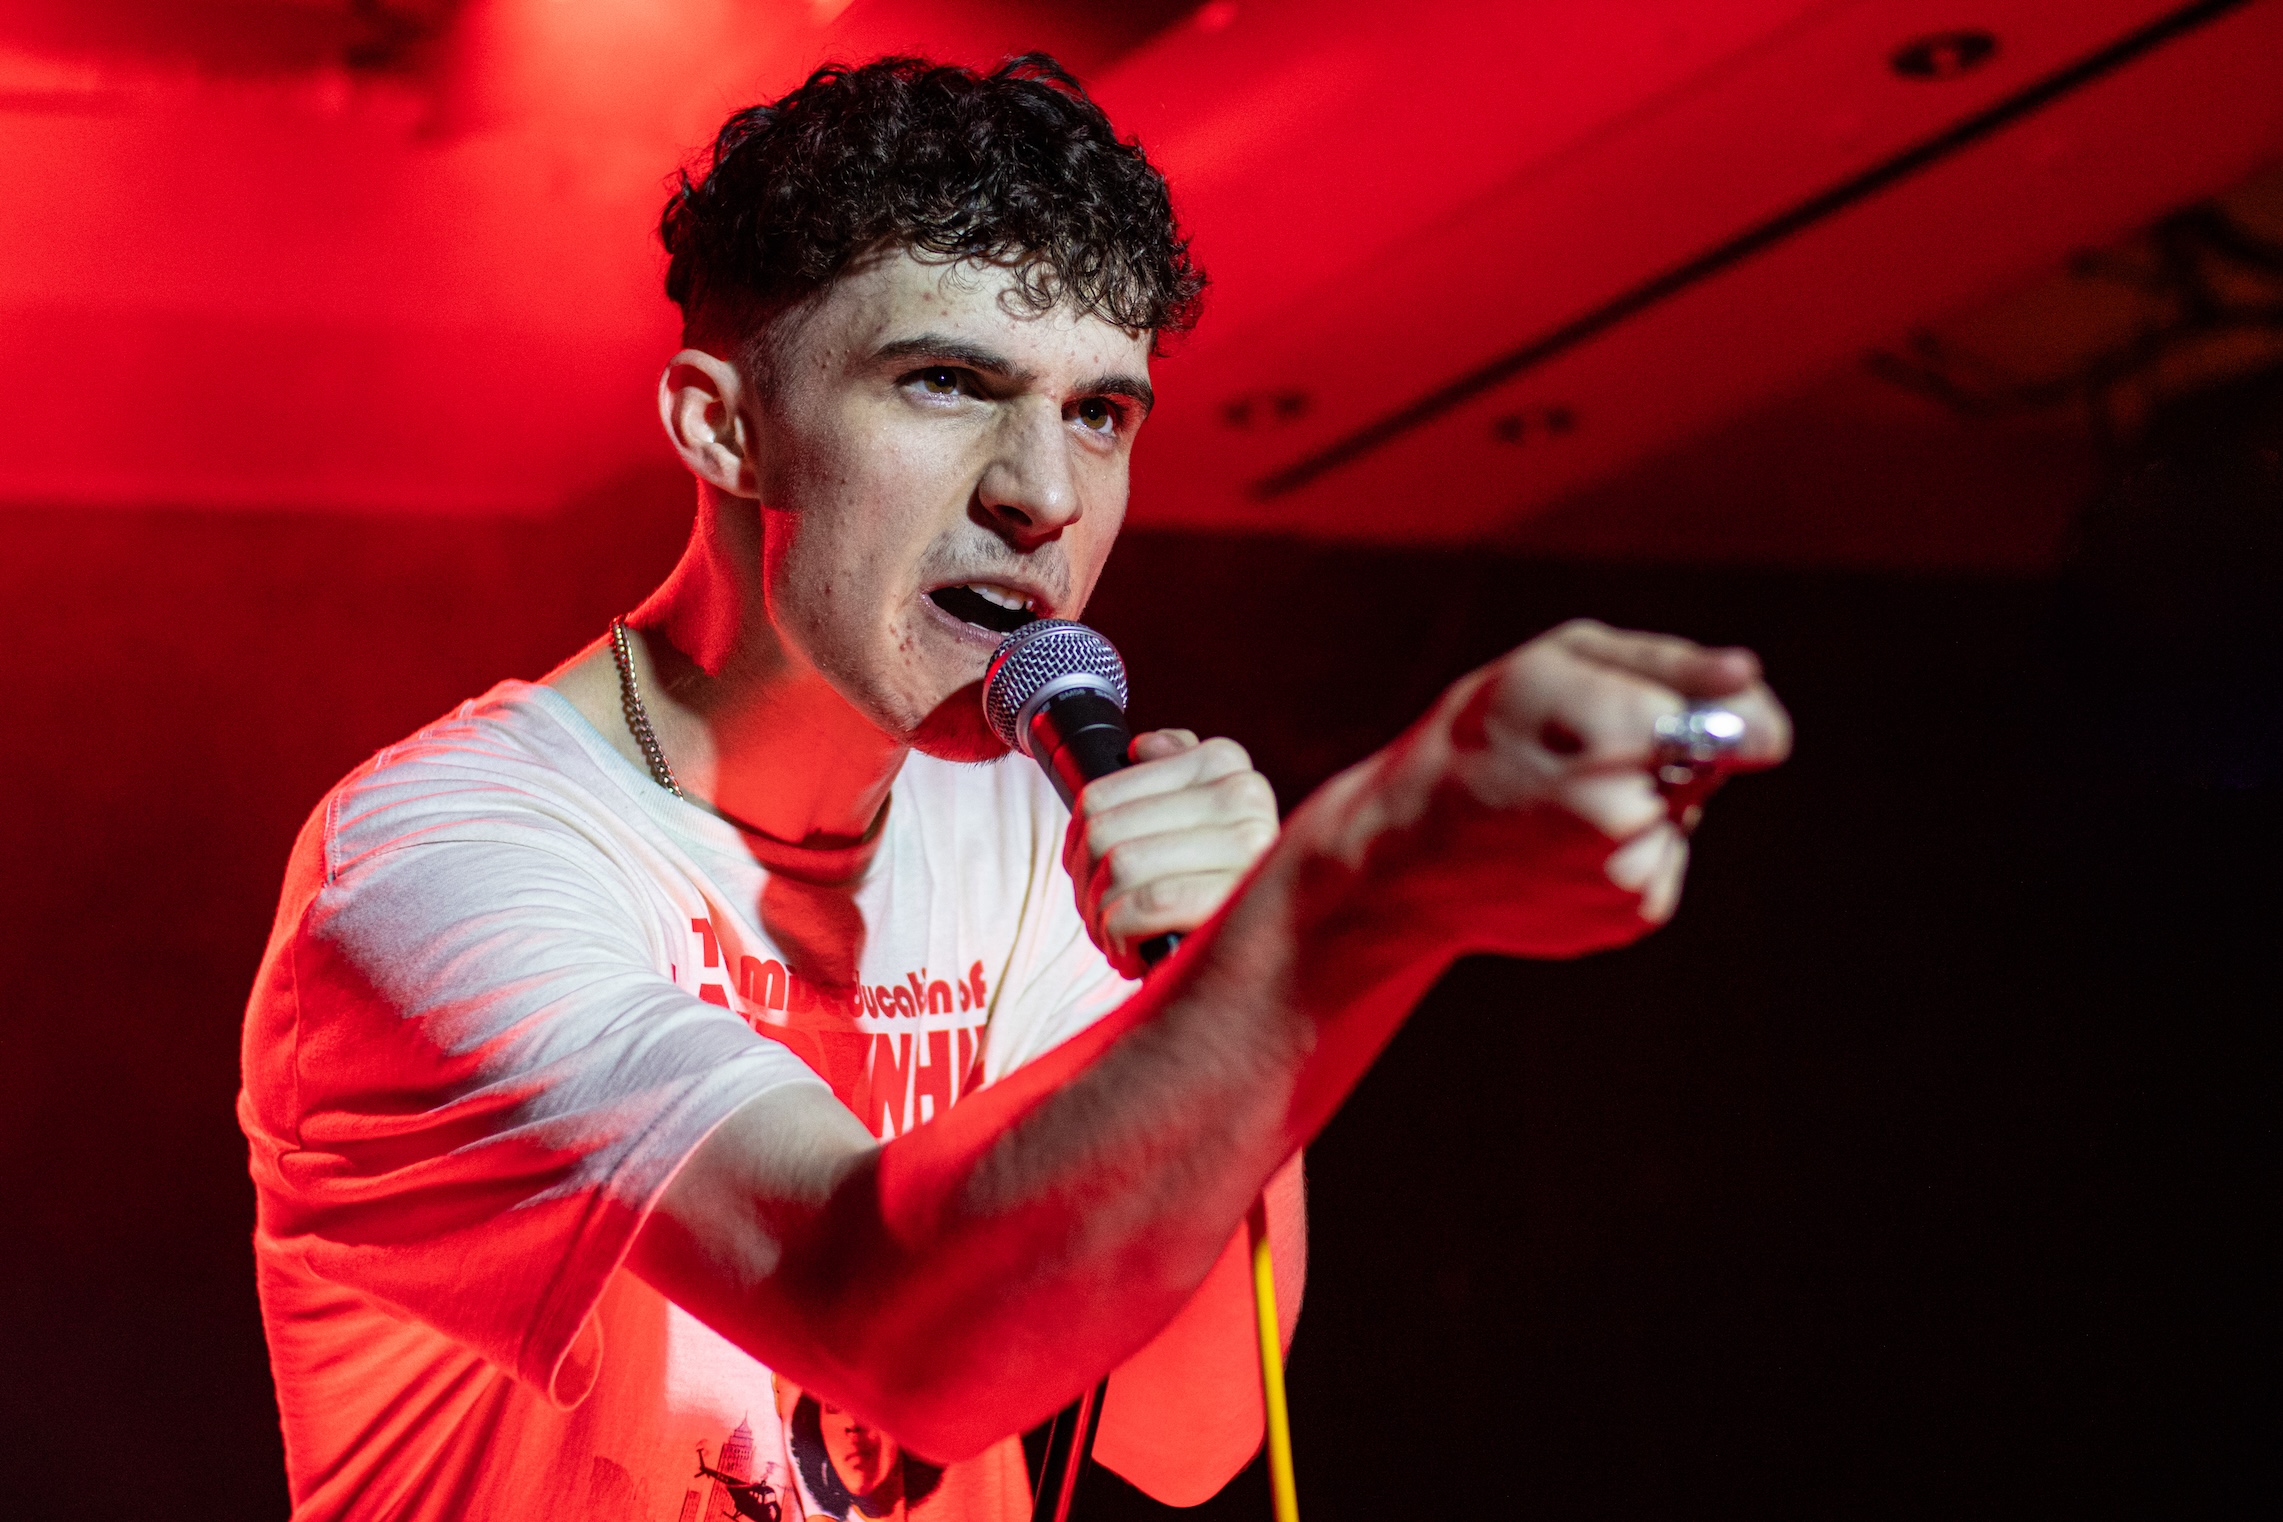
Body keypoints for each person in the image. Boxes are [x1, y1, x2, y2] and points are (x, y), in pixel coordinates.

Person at [237, 54, 1790, 1522]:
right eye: (945, 382)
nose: (1044, 493)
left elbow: (1187, 1430)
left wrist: (1238, 959)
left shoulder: (1032, 828)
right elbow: (886, 1327)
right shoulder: (441, 867)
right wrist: (1350, 898)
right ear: (723, 426)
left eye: (1099, 412)